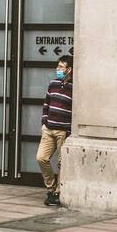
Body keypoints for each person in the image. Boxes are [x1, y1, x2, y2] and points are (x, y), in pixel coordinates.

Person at [37, 54, 73, 207]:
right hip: (49, 129)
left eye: (61, 67)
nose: (57, 69)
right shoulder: (53, 84)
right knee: (41, 158)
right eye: (57, 66)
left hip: (63, 131)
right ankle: (51, 187)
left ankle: (58, 192)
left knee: (61, 163)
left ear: (69, 70)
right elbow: (46, 103)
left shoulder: (75, 87)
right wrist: (44, 121)